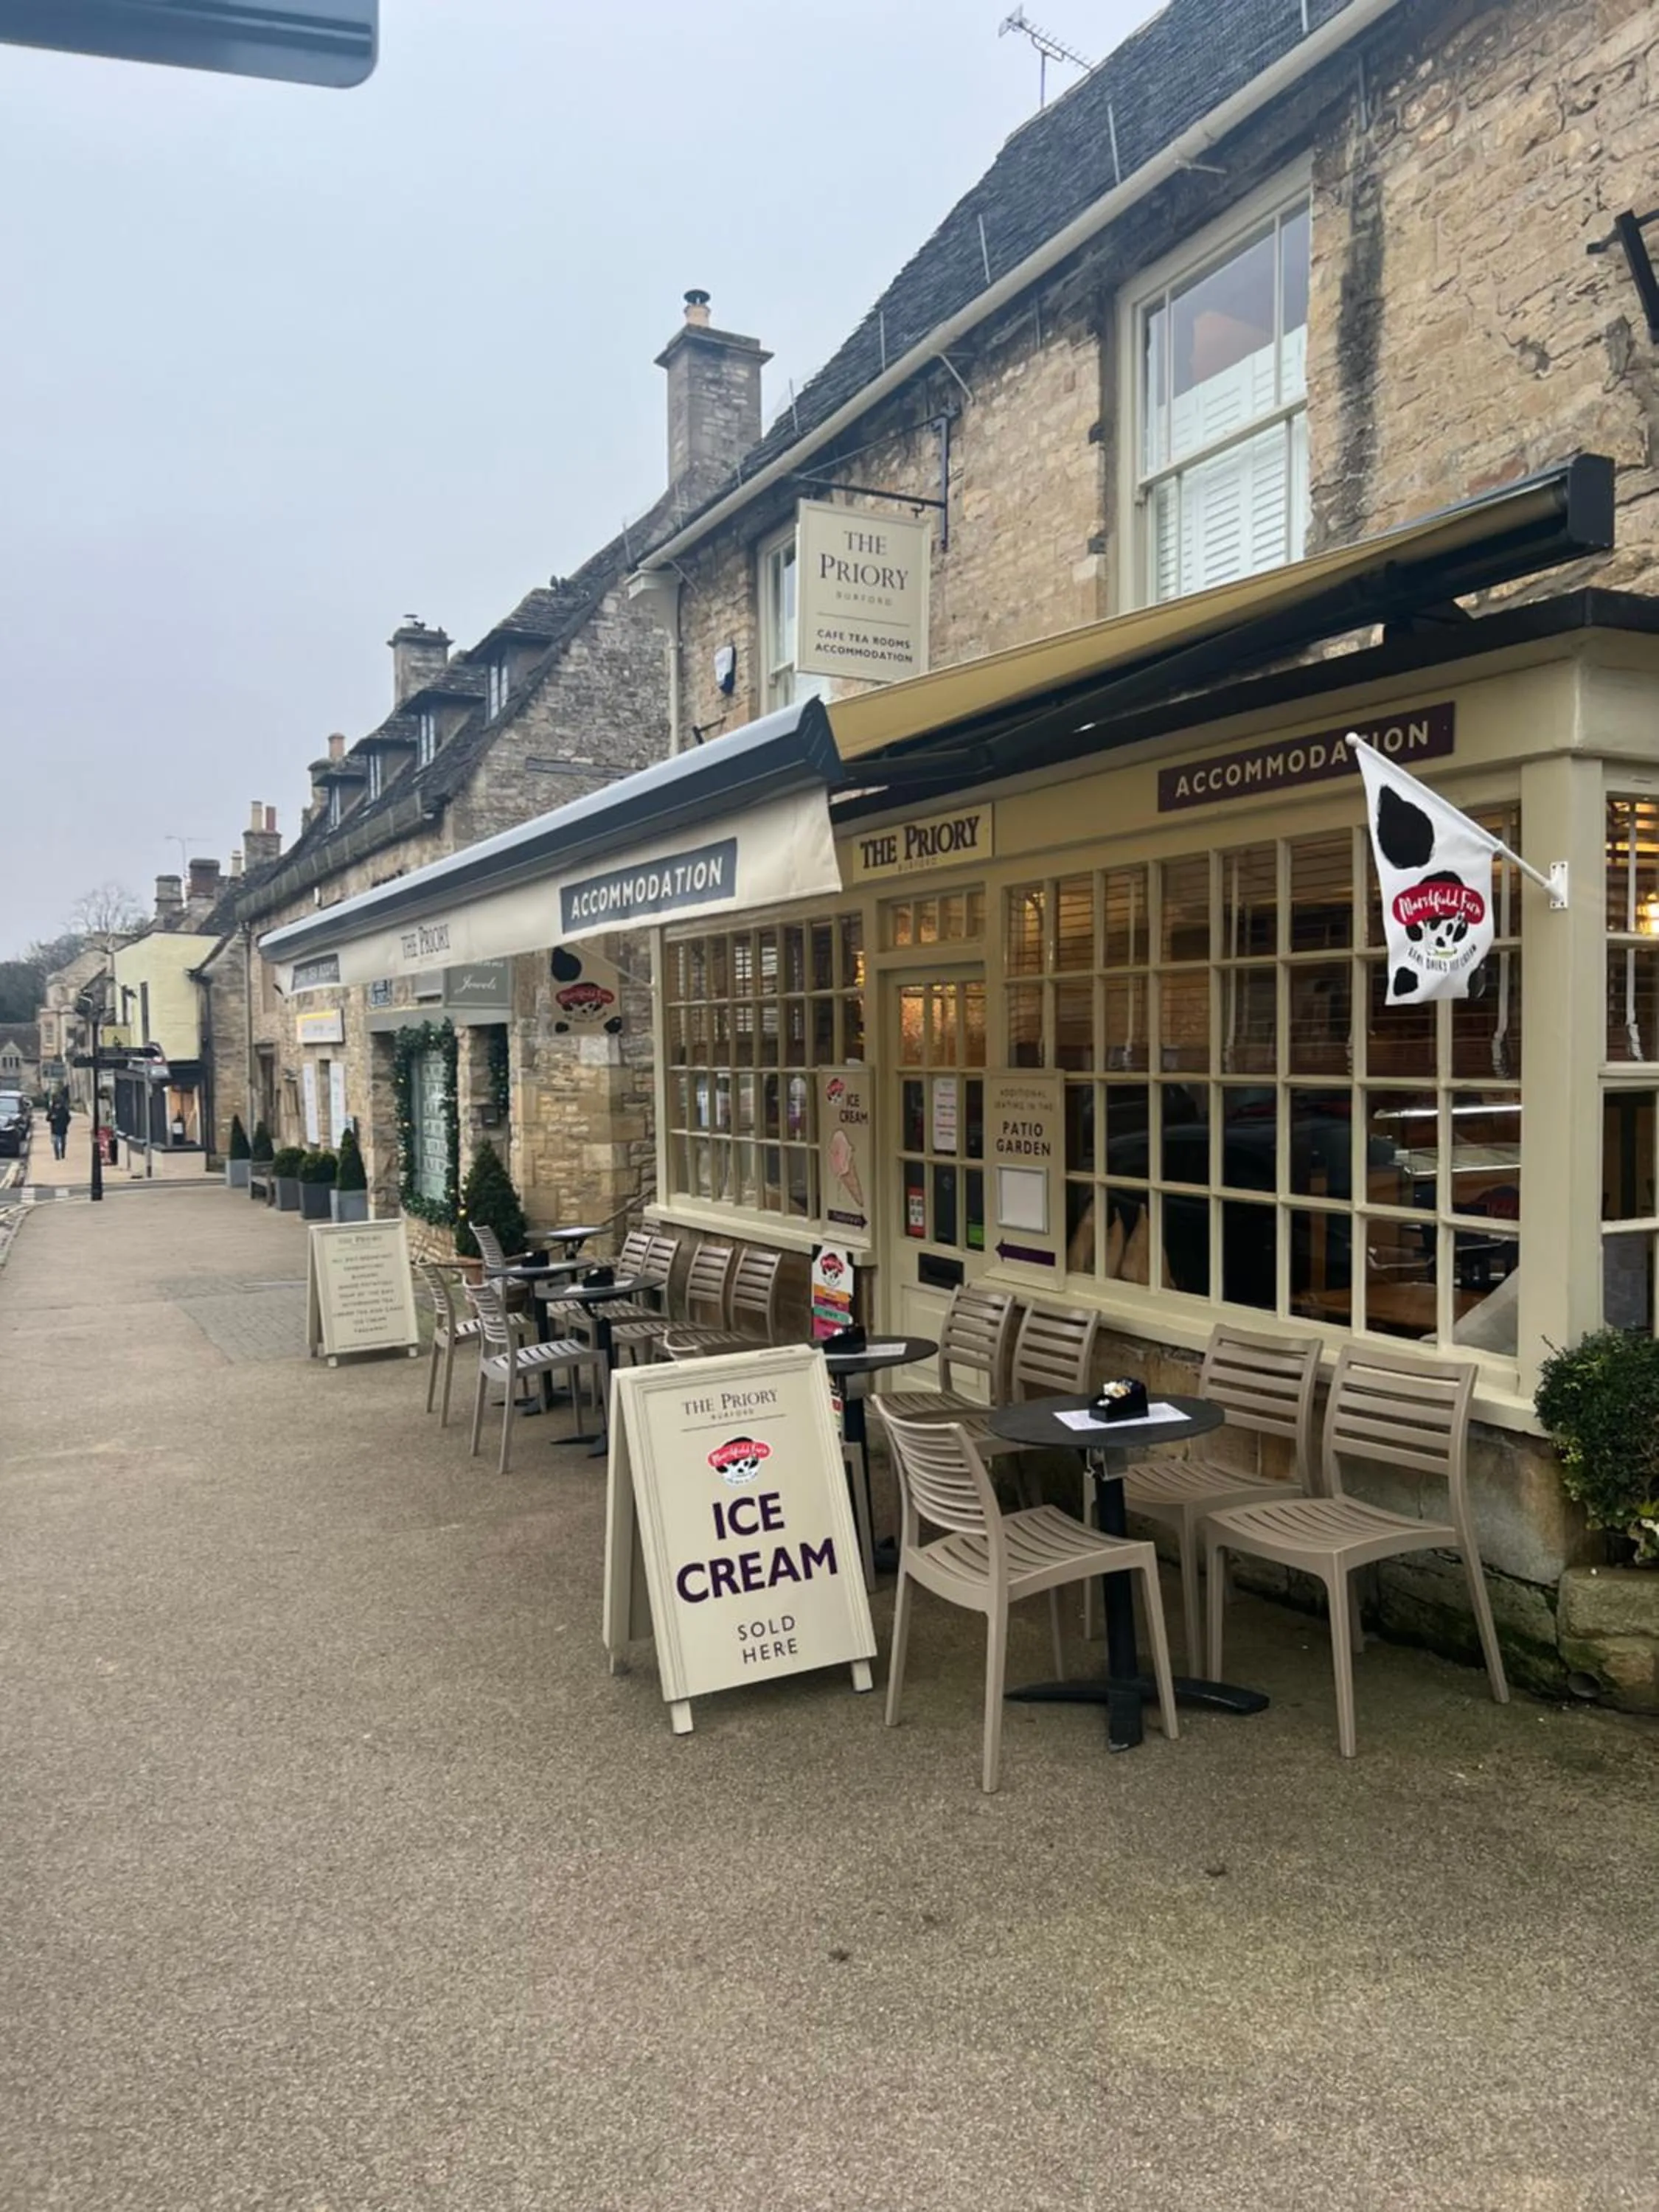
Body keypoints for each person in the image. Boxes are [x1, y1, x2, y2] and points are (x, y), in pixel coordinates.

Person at [47, 1093, 71, 1161]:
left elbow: (68, 1118)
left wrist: (65, 1124)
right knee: (55, 1143)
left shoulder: (64, 1110)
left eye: (59, 1104)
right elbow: (47, 1118)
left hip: (63, 1129)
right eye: (56, 1105)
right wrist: (52, 1118)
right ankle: (57, 1155)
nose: (58, 1106)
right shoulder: (52, 1111)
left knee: (63, 1143)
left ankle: (63, 1154)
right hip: (54, 1129)